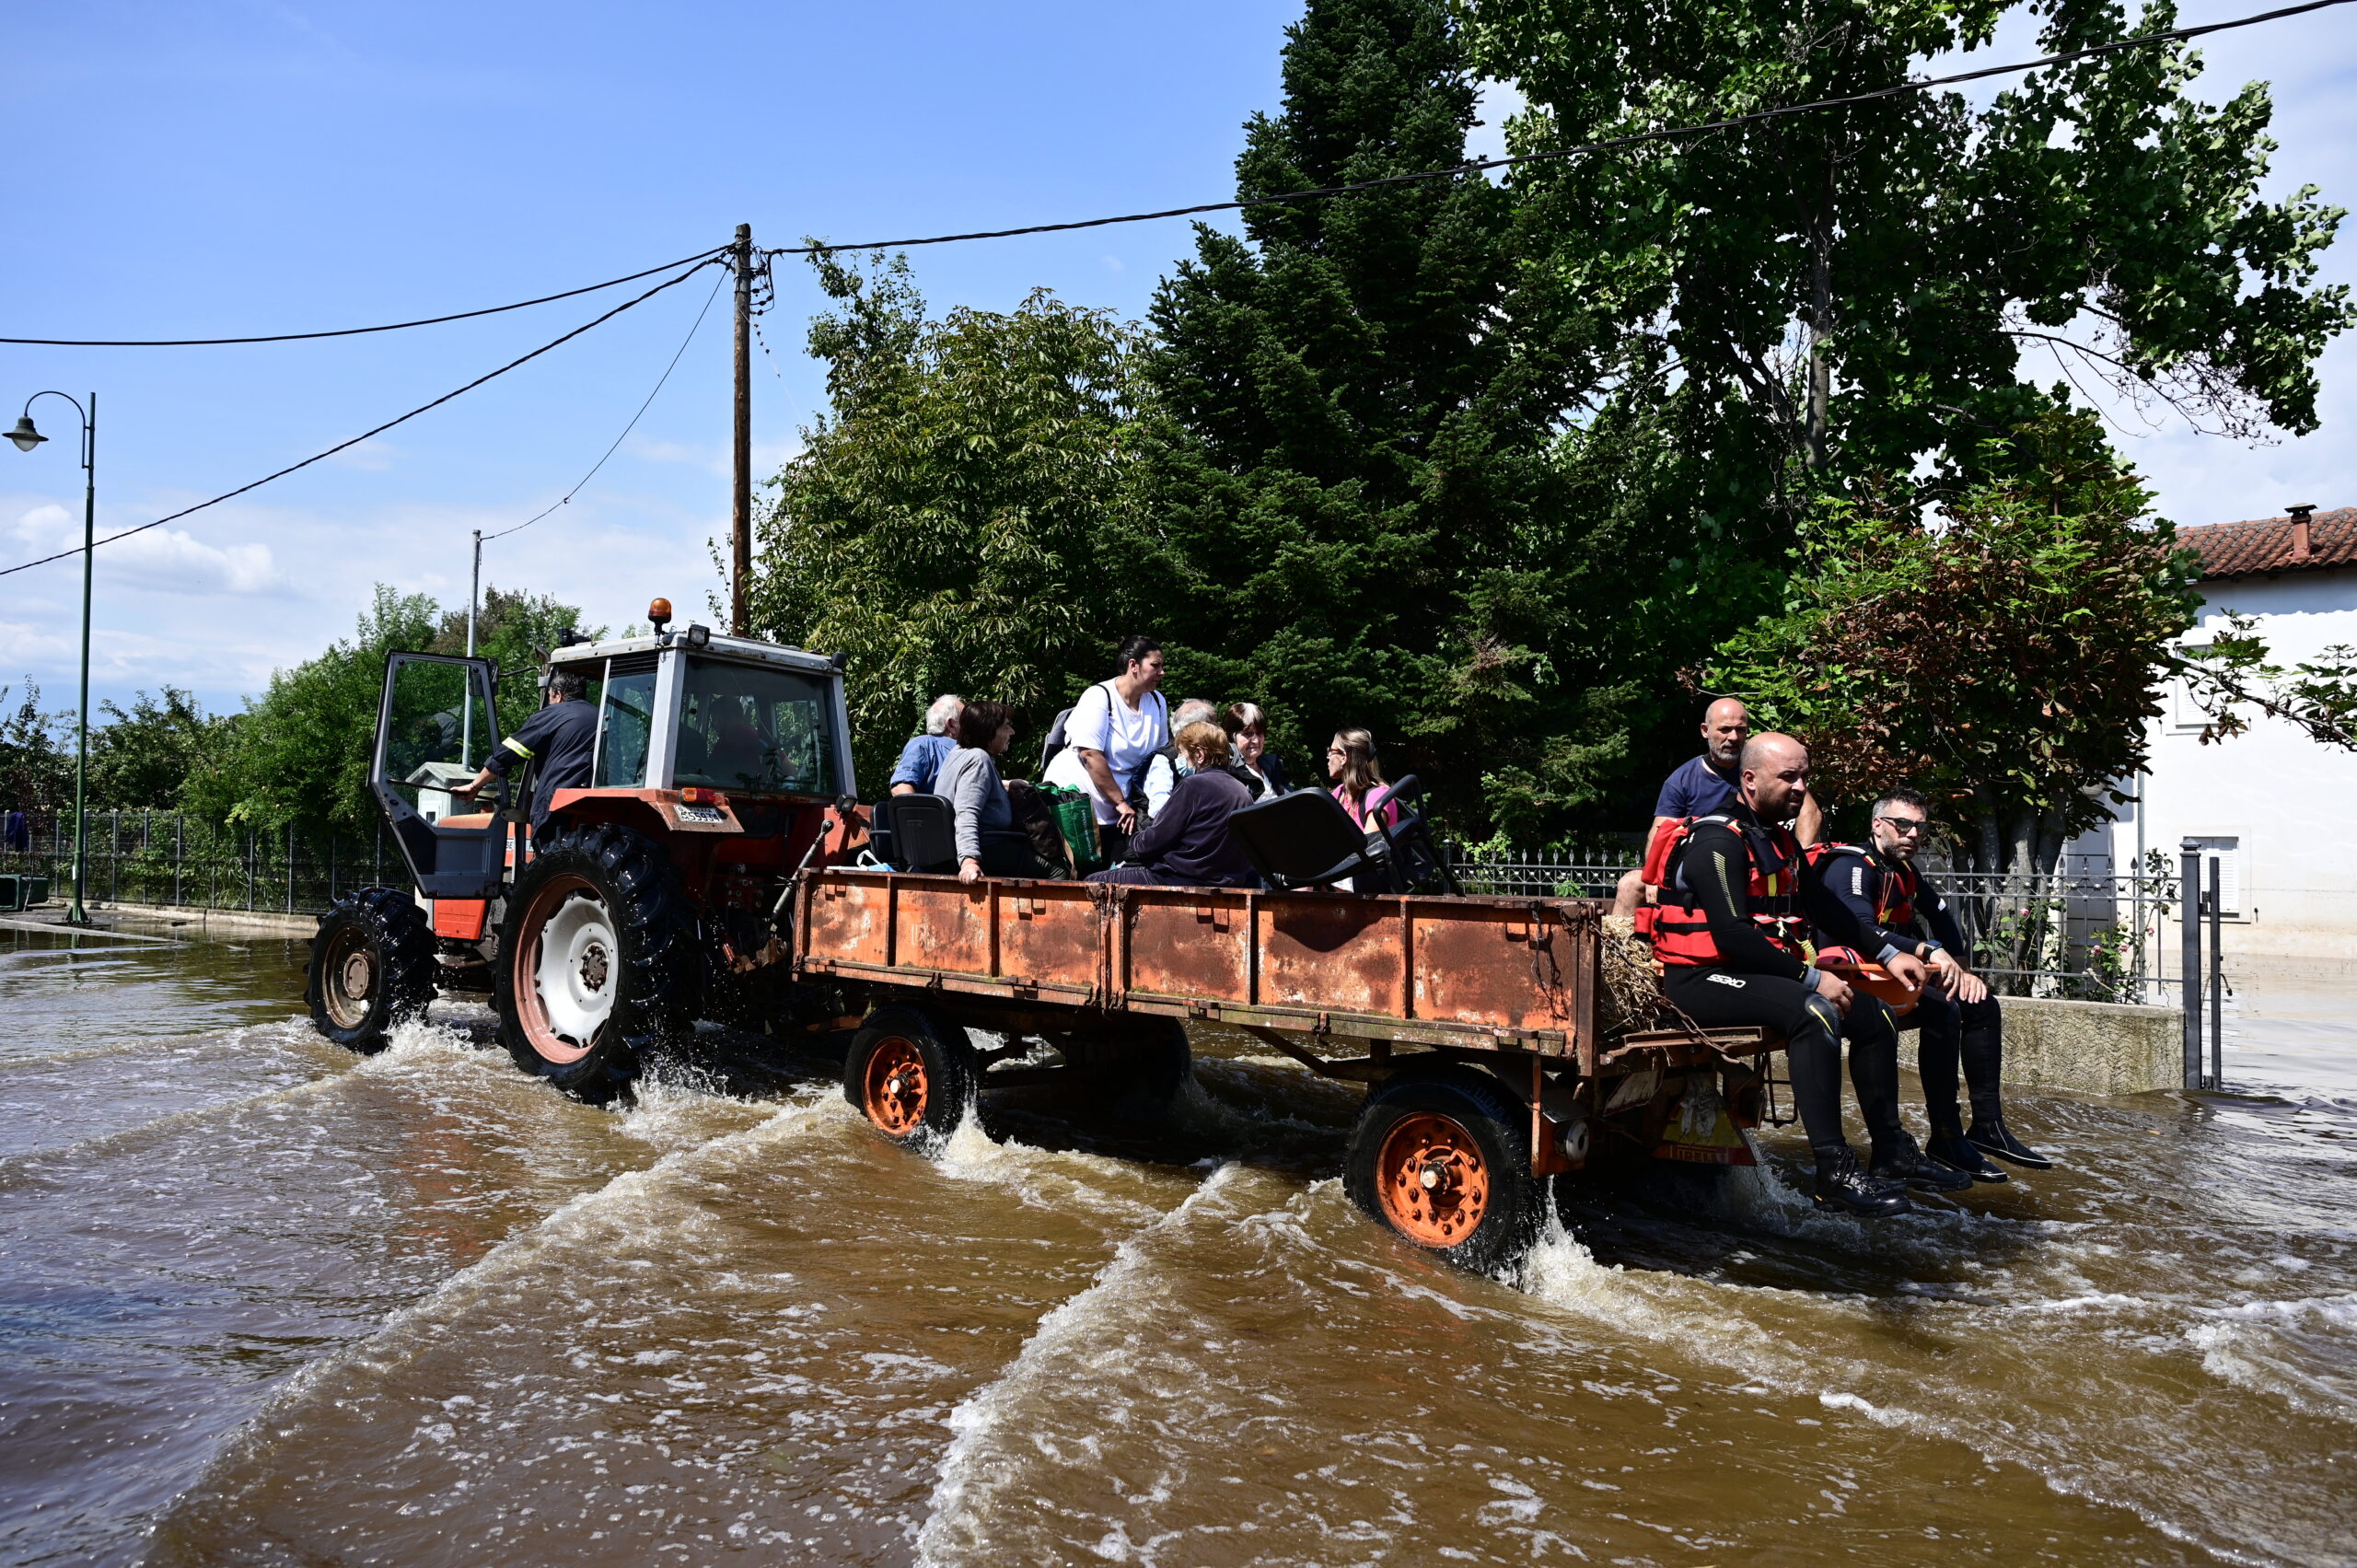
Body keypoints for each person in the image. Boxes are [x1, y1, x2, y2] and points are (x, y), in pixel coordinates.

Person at [1645, 732, 1912, 1216]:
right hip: (1699, 981)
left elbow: (1829, 909)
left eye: (1804, 776)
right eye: (1788, 776)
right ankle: (1833, 1171)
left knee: (1875, 1015)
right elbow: (1730, 935)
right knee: (1816, 1011)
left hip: (1751, 973)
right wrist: (1811, 979)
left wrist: (1890, 955)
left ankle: (1891, 1153)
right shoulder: (1715, 840)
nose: (1799, 786)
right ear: (1749, 780)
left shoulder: (1778, 838)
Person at [1805, 786, 2053, 1179]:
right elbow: (1861, 929)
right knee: (1944, 1010)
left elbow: (1941, 917)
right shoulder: (1851, 867)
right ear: (1877, 825)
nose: (1912, 834)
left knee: (1979, 1002)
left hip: (1896, 979)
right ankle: (1945, 1135)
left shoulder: (1903, 870)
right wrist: (1928, 950)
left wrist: (1960, 968)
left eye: (1919, 827)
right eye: (1902, 824)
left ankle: (1987, 1127)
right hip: (1853, 983)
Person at [1615, 698, 1823, 918]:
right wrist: (1654, 878)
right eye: (1725, 730)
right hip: (1698, 866)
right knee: (1630, 885)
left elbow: (1810, 813)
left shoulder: (1764, 769)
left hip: (1756, 864)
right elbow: (1661, 831)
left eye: (1740, 730)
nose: (1733, 737)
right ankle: (1616, 950)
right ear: (1705, 730)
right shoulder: (1683, 779)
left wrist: (1798, 865)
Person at [1041, 635, 1170, 860]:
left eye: (1163, 667)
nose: (1162, 673)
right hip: (1079, 806)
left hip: (1123, 810)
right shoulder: (1099, 696)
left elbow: (1159, 757)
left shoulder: (1157, 701)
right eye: (1155, 666)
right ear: (1133, 666)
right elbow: (1090, 755)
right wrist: (1120, 802)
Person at [1086, 722, 1259, 888]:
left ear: (1199, 754)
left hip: (1178, 878)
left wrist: (1134, 841)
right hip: (1227, 881)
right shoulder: (1242, 791)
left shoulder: (1193, 786)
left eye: (1181, 753)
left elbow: (1157, 839)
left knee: (1091, 882)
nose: (1178, 759)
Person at [454, 665, 598, 830]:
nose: (550, 703)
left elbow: (507, 753)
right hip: (594, 808)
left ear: (558, 695)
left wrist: (475, 786)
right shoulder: (601, 717)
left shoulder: (552, 714)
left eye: (549, 697)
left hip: (556, 808)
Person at [935, 701, 1051, 882]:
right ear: (989, 730)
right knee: (1056, 870)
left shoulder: (958, 752)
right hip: (987, 847)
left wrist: (1006, 785)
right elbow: (966, 813)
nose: (1012, 732)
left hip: (953, 846)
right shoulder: (978, 759)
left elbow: (966, 788)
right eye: (1006, 726)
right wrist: (969, 861)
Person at [1144, 698, 1219, 818]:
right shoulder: (1164, 761)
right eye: (1214, 724)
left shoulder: (1214, 757)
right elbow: (1159, 810)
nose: (1219, 730)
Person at [889, 693, 964, 796]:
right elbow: (901, 788)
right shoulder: (922, 746)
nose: (972, 724)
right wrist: (916, 811)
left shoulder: (973, 753)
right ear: (951, 724)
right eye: (966, 719)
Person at [1327, 727, 1399, 830]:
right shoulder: (1339, 792)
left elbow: (1371, 845)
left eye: (1331, 751)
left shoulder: (1378, 796)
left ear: (1343, 757)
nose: (1328, 757)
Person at [1224, 703, 1292, 798]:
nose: (1255, 741)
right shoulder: (1225, 773)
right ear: (1231, 737)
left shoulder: (1273, 765)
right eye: (1247, 734)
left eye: (1259, 733)